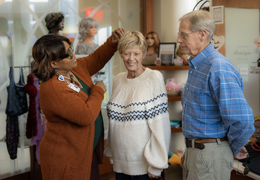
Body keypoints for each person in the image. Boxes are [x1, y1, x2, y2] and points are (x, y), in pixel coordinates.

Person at [32, 28, 125, 180]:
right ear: (54, 63)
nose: (73, 55)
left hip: (85, 150)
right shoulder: (52, 87)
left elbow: (97, 58)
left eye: (72, 50)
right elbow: (86, 115)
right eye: (68, 54)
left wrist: (112, 42)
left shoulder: (73, 69)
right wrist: (98, 90)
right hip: (66, 159)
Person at [178, 10, 255, 180]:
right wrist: (189, 151)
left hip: (210, 156)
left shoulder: (217, 67)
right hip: (195, 152)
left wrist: (231, 148)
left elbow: (242, 120)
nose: (178, 39)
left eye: (183, 34)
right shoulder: (197, 65)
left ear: (202, 34)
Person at [104, 31, 171, 180]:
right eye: (127, 53)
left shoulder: (153, 78)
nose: (131, 58)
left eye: (136, 53)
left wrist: (156, 165)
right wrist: (112, 156)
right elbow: (114, 123)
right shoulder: (117, 80)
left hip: (145, 167)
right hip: (120, 164)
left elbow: (161, 125)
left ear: (144, 54)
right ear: (121, 54)